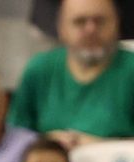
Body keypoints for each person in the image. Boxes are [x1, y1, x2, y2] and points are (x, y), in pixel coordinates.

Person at [10, 0, 134, 149]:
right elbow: (13, 137)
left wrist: (98, 147)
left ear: (117, 24)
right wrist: (47, 143)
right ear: (61, 28)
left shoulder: (130, 70)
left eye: (99, 21)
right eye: (80, 22)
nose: (90, 30)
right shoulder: (39, 69)